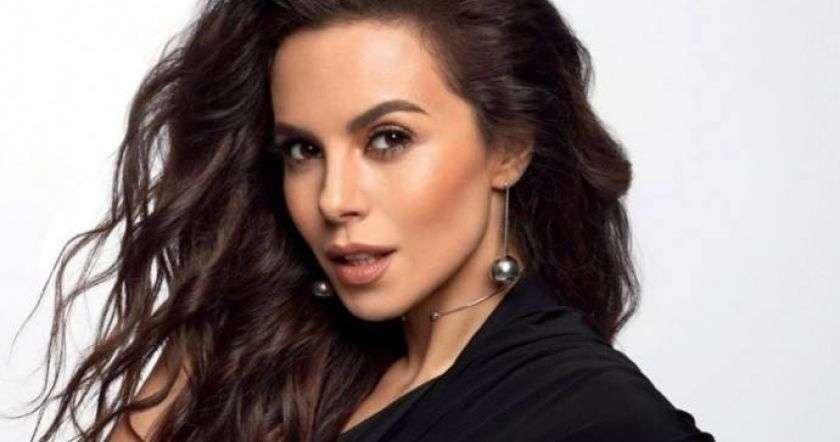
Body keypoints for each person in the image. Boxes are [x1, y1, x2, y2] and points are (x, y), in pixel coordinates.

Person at [15, 0, 714, 440]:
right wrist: (202, 353)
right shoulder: (291, 368)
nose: (334, 199)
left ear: (508, 148)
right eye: (303, 150)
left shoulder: (593, 417)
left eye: (389, 139)